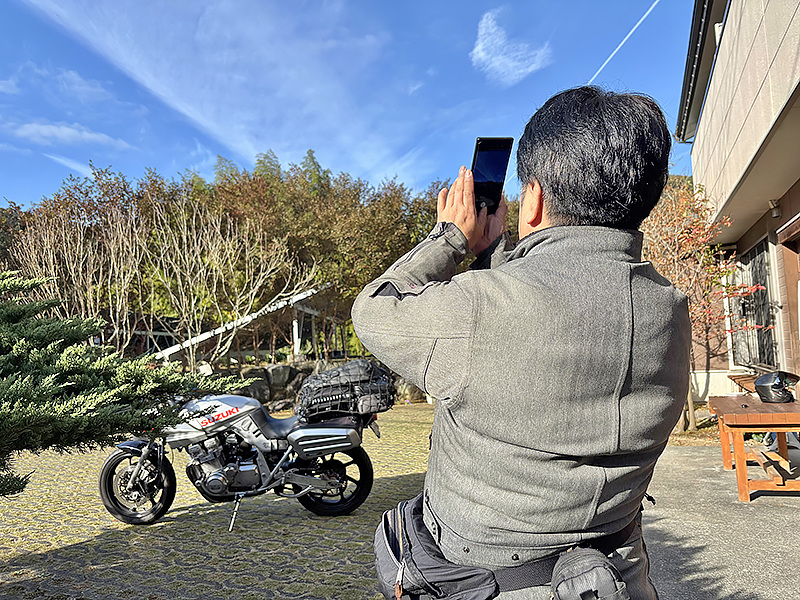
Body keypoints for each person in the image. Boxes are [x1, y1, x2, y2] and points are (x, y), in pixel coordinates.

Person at [351, 86, 690, 599]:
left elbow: (375, 310)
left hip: (487, 580)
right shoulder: (670, 310)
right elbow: (558, 305)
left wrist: (451, 238)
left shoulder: (477, 309)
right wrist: (496, 252)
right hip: (619, 574)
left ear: (533, 199)